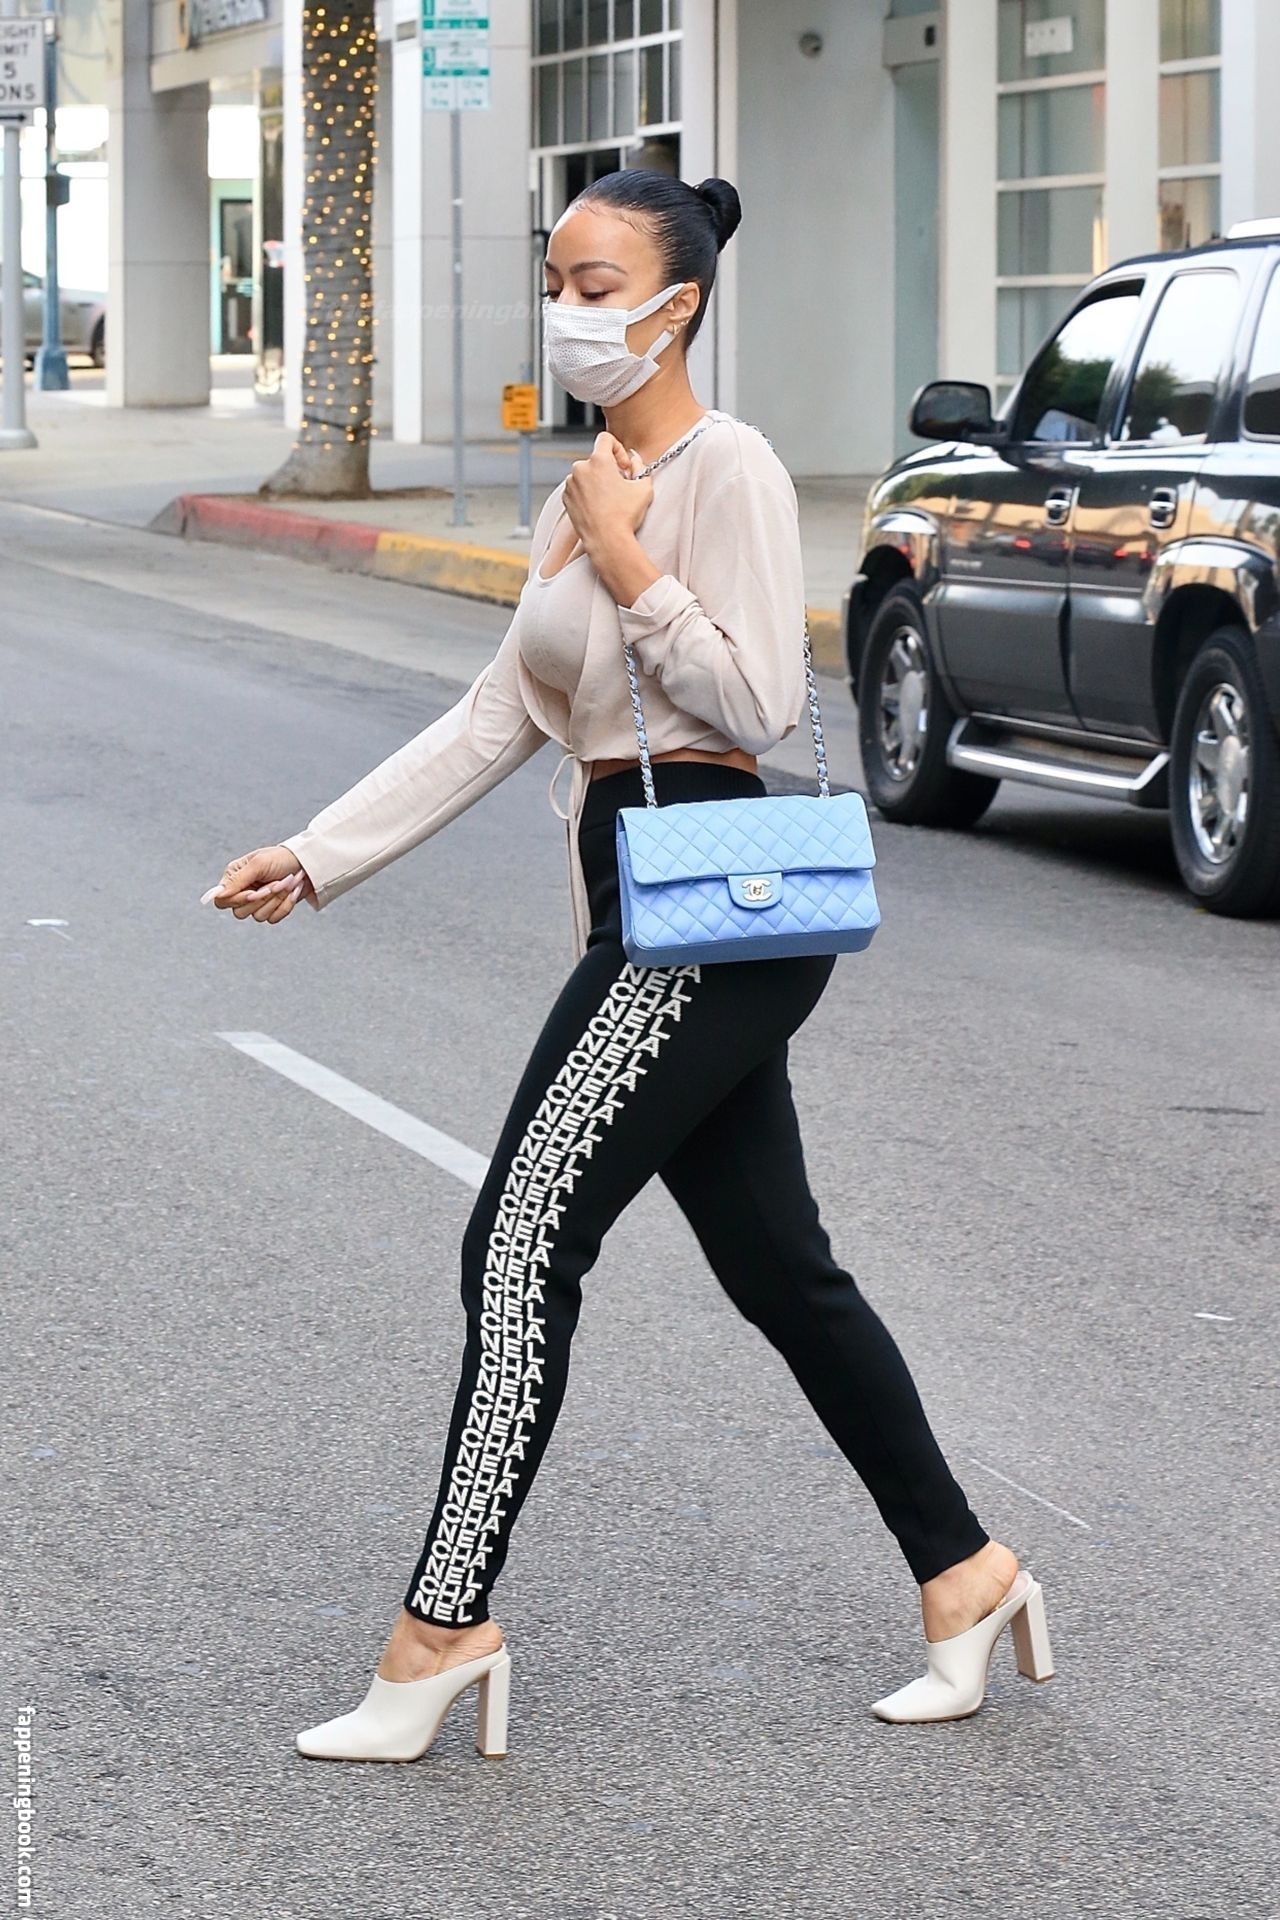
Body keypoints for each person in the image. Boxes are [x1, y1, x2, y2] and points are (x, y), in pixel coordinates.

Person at [208, 170, 1054, 1757]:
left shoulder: (726, 468)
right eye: (556, 283)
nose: (568, 313)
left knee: (520, 1243)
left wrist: (631, 562)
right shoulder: (578, 488)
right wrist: (318, 855)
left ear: (678, 305)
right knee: (781, 1271)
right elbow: (496, 718)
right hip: (641, 902)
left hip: (716, 895)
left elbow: (758, 702)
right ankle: (969, 1573)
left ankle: (440, 1630)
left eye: (597, 288)